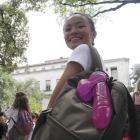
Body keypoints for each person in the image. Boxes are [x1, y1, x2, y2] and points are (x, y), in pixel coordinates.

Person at [47, 12, 106, 109]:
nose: (73, 31)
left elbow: (62, 89)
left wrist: (47, 112)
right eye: (68, 29)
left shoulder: (82, 49)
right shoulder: (96, 57)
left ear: (94, 34)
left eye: (80, 26)